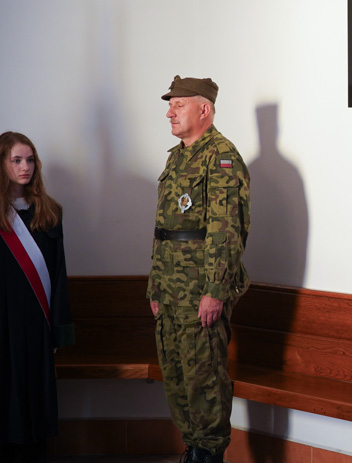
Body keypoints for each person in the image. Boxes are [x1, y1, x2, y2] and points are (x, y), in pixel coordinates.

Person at [147, 76, 250, 463]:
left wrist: (216, 290)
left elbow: (227, 231)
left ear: (203, 109)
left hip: (200, 291)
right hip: (171, 289)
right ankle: (192, 448)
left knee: (203, 379)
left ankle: (208, 453)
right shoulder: (177, 157)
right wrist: (155, 287)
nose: (169, 111)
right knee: (175, 375)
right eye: (170, 105)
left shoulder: (222, 156)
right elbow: (164, 230)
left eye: (178, 104)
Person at [0, 132, 74, 463]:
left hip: (36, 322)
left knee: (34, 396)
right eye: (17, 160)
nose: (26, 167)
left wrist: (57, 328)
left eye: (30, 160)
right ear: (0, 164)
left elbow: (60, 272)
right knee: (0, 396)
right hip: (0, 323)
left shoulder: (48, 212)